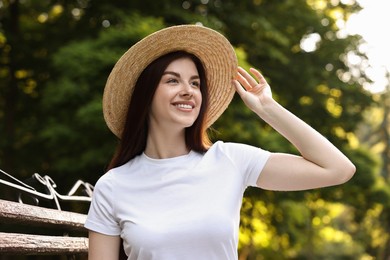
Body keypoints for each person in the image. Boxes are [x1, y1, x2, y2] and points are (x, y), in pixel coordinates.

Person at [84, 24, 356, 260]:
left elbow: (338, 169)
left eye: (195, 83)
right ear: (146, 95)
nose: (188, 91)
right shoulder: (113, 186)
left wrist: (267, 109)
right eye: (172, 80)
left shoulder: (230, 160)